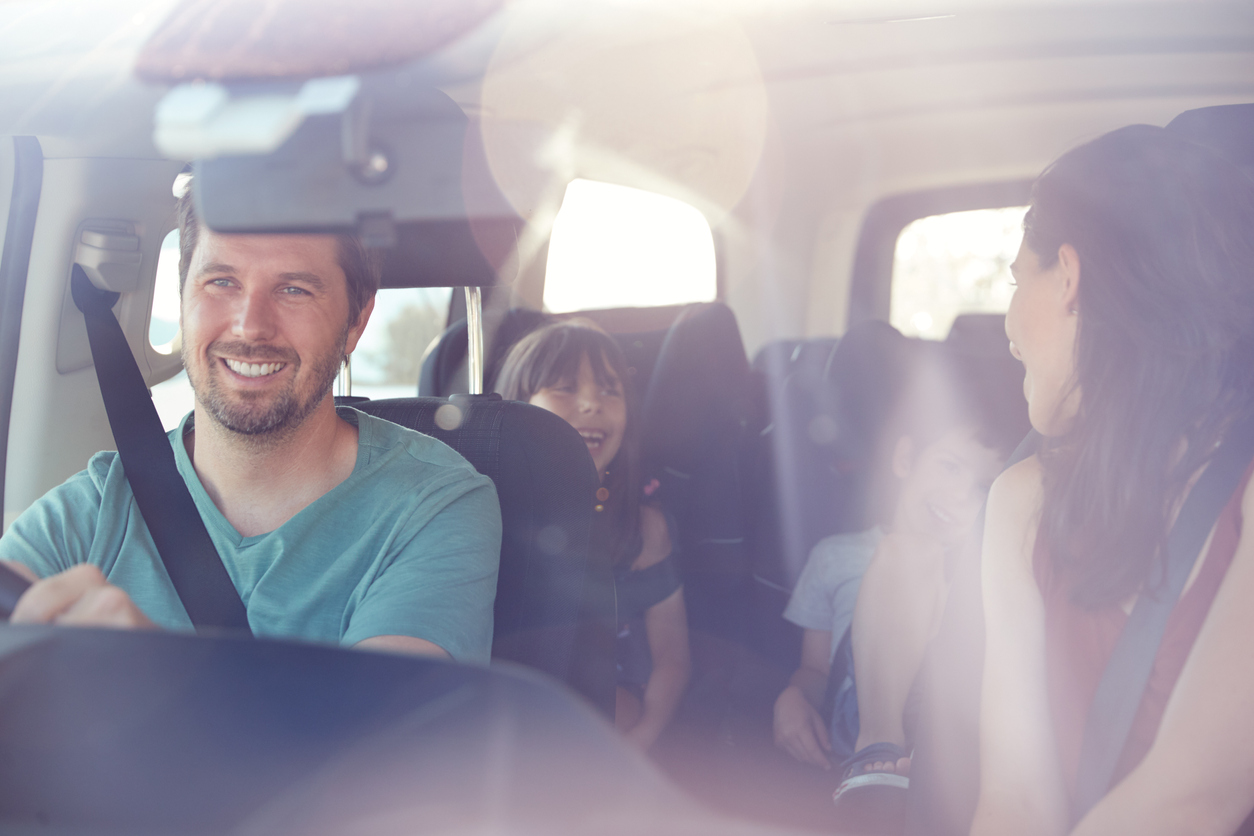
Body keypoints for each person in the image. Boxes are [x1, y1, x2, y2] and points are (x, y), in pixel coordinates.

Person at [0, 188, 501, 663]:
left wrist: (155, 677)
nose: (250, 325)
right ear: (183, 297)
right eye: (221, 281)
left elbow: (383, 740)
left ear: (356, 320)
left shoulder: (433, 506)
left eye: (293, 288)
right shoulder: (86, 515)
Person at [972, 125, 1254, 836]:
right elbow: (1013, 798)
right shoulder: (1017, 504)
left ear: (1068, 277)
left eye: (1014, 281)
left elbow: (1193, 798)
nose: (1007, 326)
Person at [773, 346, 1019, 794]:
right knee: (907, 555)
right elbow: (814, 671)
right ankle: (878, 754)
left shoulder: (982, 567)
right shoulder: (836, 556)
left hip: (946, 720)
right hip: (855, 719)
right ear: (906, 459)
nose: (959, 495)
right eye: (949, 466)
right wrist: (791, 698)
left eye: (983, 487)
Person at [496, 320, 691, 750]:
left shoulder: (645, 528)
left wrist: (643, 739)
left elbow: (672, 660)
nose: (590, 404)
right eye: (564, 387)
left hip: (612, 712)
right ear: (516, 407)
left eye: (610, 390)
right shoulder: (484, 515)